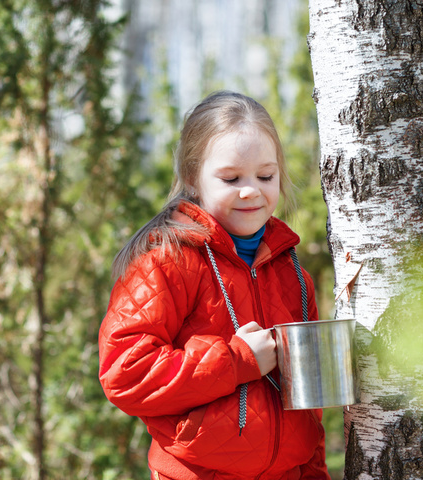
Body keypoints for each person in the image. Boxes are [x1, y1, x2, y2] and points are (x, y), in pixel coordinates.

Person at [98, 91, 330, 480]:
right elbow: (125, 373)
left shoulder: (294, 275)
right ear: (193, 177)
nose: (251, 190)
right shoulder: (167, 260)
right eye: (231, 178)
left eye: (265, 176)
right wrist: (238, 361)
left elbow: (310, 407)